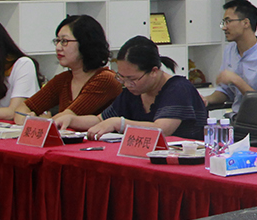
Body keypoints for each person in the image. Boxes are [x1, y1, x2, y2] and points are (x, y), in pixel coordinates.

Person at [68, 36, 208, 141]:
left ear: (154, 71)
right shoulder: (133, 91)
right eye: (122, 77)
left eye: (132, 79)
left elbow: (162, 130)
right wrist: (70, 120)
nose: (127, 84)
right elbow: (100, 120)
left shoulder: (179, 89)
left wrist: (119, 124)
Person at [10, 15, 121, 124]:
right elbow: (21, 110)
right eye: (57, 41)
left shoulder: (105, 79)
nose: (58, 47)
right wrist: (26, 120)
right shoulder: (63, 79)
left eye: (64, 41)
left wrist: (37, 121)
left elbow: (67, 117)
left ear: (85, 43)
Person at [205, 0, 257, 108]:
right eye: (224, 23)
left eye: (228, 21)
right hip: (236, 115)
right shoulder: (229, 50)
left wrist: (236, 80)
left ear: (246, 23)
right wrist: (206, 99)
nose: (224, 27)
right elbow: (225, 91)